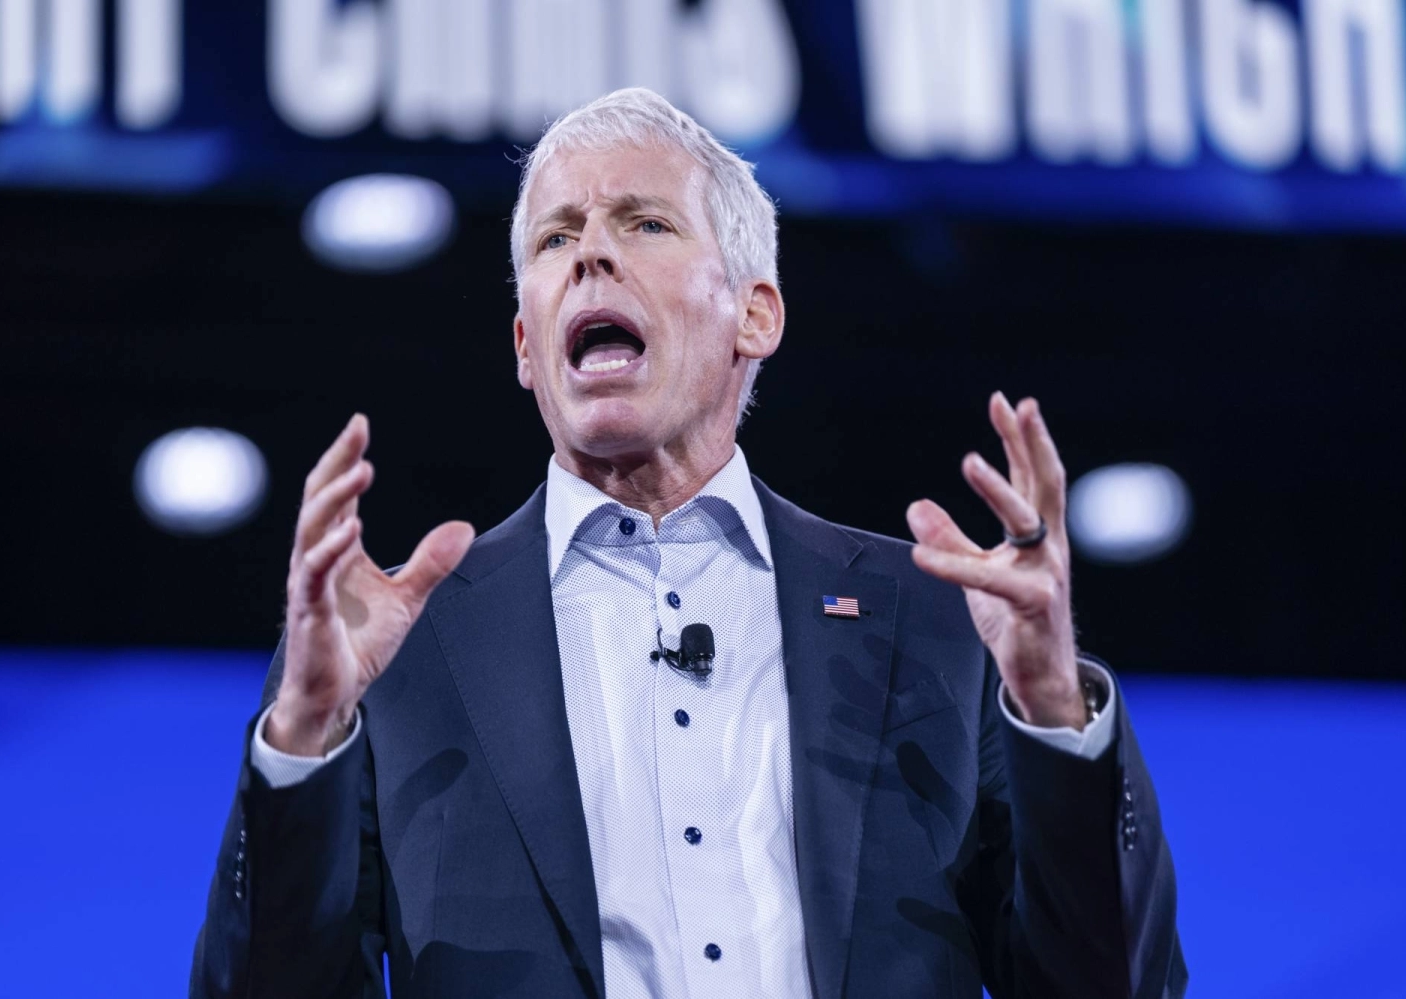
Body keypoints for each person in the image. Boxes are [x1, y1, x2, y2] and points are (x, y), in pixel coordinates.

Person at [191, 88, 1186, 999]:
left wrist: (1054, 712)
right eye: (556, 238)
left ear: (755, 313)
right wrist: (303, 740)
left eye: (645, 223)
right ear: (528, 348)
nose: (589, 254)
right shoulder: (398, 654)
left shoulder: (938, 624)